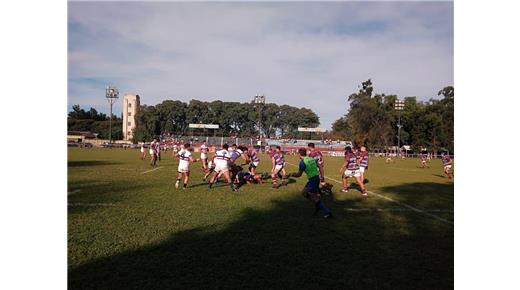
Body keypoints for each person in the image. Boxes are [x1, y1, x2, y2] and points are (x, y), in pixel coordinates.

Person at [290, 148, 333, 219]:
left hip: (313, 180)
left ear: (299, 154)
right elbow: (320, 166)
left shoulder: (302, 162)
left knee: (314, 197)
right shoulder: (311, 158)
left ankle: (327, 212)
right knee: (304, 193)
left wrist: (292, 174)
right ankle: (318, 205)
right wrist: (322, 176)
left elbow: (299, 174)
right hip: (315, 178)